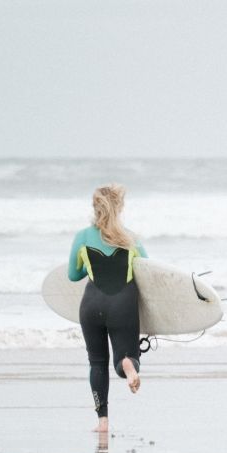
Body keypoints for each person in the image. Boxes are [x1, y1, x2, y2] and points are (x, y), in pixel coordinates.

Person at [68, 184, 146, 435]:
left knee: (97, 363)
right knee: (125, 356)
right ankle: (127, 365)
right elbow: (147, 273)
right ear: (119, 207)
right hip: (122, 304)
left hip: (91, 306)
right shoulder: (131, 239)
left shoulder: (81, 237)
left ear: (95, 207)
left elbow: (72, 274)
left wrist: (88, 267)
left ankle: (102, 422)